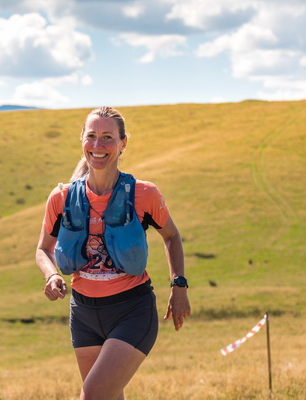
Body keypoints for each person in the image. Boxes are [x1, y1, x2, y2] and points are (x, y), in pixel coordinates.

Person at [35, 106, 191, 400]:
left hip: (132, 310)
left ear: (123, 143)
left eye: (108, 137)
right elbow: (43, 249)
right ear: (82, 139)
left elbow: (171, 236)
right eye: (91, 136)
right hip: (83, 314)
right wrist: (52, 275)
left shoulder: (144, 194)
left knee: (93, 394)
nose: (98, 144)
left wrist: (178, 286)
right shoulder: (61, 197)